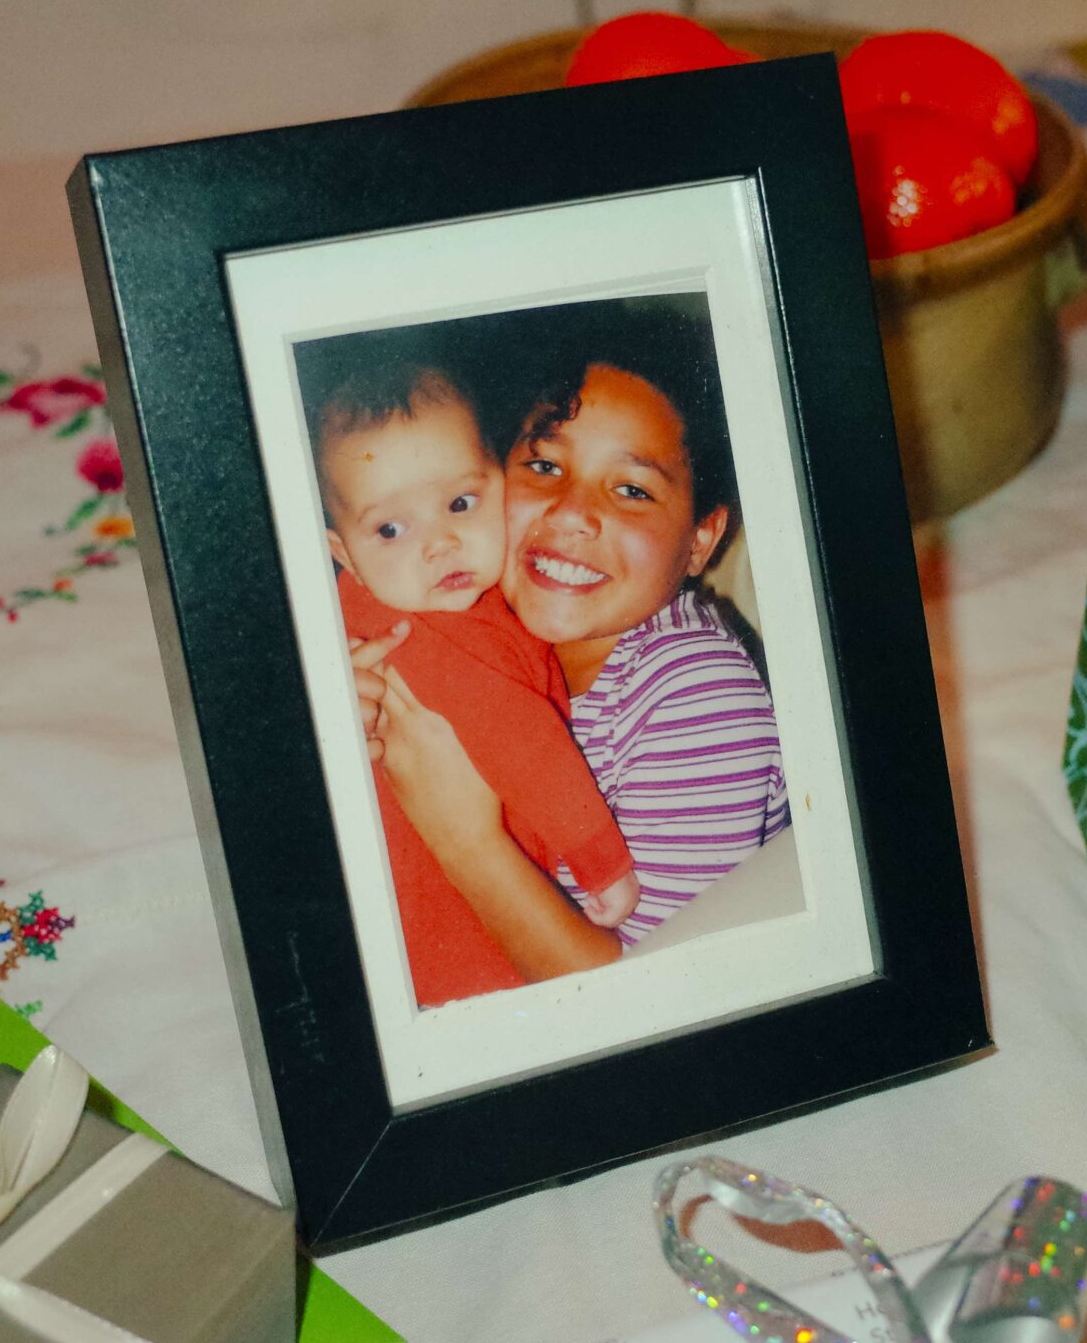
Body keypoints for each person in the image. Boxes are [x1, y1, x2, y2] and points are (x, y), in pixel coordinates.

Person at [358, 310, 788, 982]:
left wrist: (468, 842)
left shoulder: (698, 692)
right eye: (544, 464)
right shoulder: (468, 618)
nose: (571, 512)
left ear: (701, 540)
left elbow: (654, 1007)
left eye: (631, 489)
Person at [311, 359, 639, 1007]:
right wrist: (600, 858)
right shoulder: (405, 628)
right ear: (343, 554)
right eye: (390, 529)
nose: (440, 544)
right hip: (456, 943)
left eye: (461, 504)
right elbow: (517, 736)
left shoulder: (463, 609)